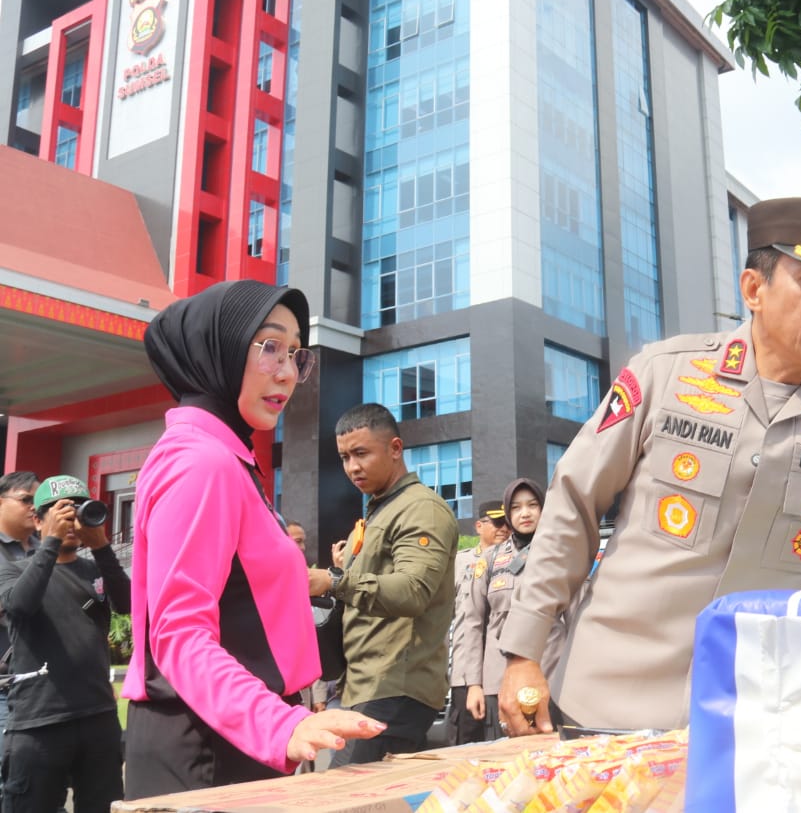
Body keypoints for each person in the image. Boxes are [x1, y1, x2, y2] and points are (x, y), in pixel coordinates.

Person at [497, 196, 801, 734]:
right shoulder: (664, 376)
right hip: (606, 708)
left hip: (753, 728)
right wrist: (523, 651)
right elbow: (573, 506)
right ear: (753, 290)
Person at [122, 280, 384, 799]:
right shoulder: (202, 462)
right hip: (207, 745)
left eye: (294, 354)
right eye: (268, 346)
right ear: (216, 350)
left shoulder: (226, 458)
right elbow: (179, 635)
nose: (287, 372)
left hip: (229, 733)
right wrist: (279, 725)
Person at [307, 403, 459, 766]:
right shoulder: (381, 509)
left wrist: (332, 580)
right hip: (366, 685)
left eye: (361, 453)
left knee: (351, 802)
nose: (352, 467)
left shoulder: (421, 509)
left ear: (395, 449)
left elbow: (412, 591)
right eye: (344, 457)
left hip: (395, 686)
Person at [0, 475, 130, 813]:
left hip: (98, 719)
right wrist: (50, 544)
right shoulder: (14, 571)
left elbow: (129, 604)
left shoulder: (96, 569)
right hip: (38, 725)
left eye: (77, 511)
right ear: (38, 520)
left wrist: (101, 545)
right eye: (58, 513)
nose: (69, 521)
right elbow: (20, 605)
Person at [455, 479, 563, 739]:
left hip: (554, 677)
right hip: (499, 682)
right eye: (516, 508)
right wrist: (474, 685)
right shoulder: (490, 560)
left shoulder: (562, 553)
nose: (524, 513)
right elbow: (472, 621)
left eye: (532, 505)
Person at [444, 500, 509, 746]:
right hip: (465, 668)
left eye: (507, 523)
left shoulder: (513, 563)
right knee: (465, 742)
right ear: (479, 525)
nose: (504, 528)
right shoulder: (459, 562)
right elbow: (444, 615)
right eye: (497, 522)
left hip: (499, 668)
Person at [0, 469, 39, 777]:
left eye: (38, 501)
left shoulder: (47, 549)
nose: (34, 507)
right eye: (26, 499)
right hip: (4, 689)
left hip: (44, 689)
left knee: (44, 787)